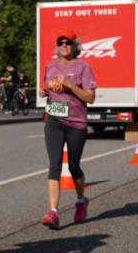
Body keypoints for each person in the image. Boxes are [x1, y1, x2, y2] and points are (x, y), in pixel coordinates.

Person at [38, 29, 96, 229]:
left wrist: (70, 85)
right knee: (54, 165)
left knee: (73, 166)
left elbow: (90, 97)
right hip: (54, 120)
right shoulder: (50, 65)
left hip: (76, 123)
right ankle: (53, 212)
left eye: (68, 42)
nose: (64, 45)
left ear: (75, 46)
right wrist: (45, 90)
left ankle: (81, 201)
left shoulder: (83, 67)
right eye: (61, 42)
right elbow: (45, 87)